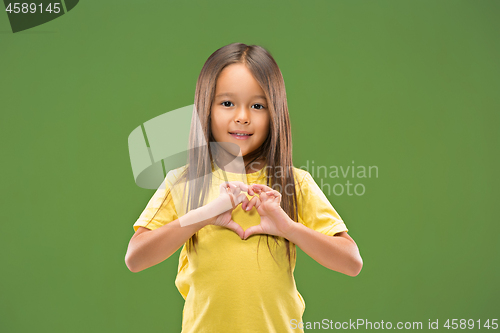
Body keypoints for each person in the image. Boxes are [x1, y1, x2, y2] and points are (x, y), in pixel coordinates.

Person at [125, 43, 363, 333]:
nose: (242, 117)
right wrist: (203, 215)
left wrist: (288, 228)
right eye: (227, 103)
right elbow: (136, 258)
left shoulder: (293, 182)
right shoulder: (184, 181)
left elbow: (351, 262)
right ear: (206, 109)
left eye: (258, 105)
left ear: (274, 113)